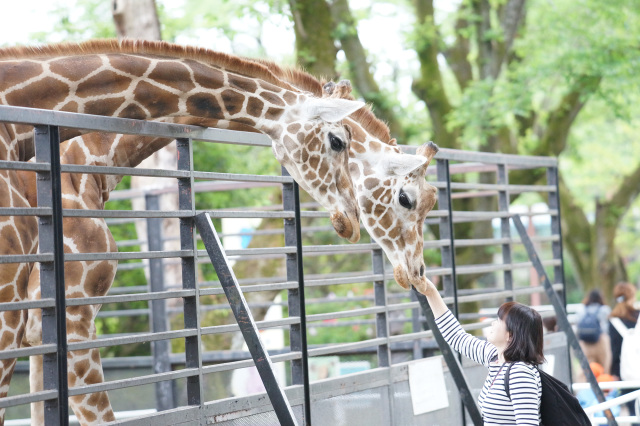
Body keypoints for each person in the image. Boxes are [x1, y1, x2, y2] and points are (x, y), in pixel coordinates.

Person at [418, 280, 543, 425]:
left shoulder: (520, 374)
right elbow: (457, 337)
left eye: (499, 320)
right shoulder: (495, 358)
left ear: (510, 335)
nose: (493, 323)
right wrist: (431, 292)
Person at [609, 282, 640, 424]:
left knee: (633, 414)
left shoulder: (614, 321)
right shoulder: (638, 317)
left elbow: (615, 352)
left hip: (626, 374)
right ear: (632, 296)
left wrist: (613, 373)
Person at [575, 289, 612, 374]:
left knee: (584, 370)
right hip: (601, 340)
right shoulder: (604, 309)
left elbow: (577, 324)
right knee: (604, 368)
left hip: (584, 342)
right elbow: (607, 326)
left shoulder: (581, 309)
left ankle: (583, 386)